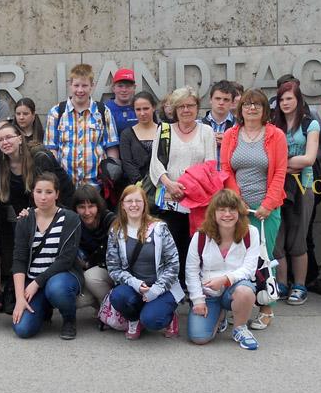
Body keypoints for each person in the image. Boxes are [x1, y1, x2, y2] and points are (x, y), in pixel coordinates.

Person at [219, 88, 287, 329]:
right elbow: (226, 169)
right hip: (236, 210)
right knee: (236, 258)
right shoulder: (231, 135)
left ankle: (267, 308)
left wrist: (267, 205)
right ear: (240, 109)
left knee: (263, 259)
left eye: (257, 104)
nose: (252, 108)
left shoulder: (275, 135)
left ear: (265, 109)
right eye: (247, 104)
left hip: (266, 210)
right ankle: (238, 307)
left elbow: (280, 172)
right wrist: (237, 201)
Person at [0, 121, 74, 306]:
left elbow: (49, 191)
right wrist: (25, 215)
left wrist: (33, 213)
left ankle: (49, 288)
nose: (5, 142)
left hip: (58, 205)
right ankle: (18, 290)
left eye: (9, 137)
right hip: (31, 210)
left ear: (20, 138)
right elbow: (15, 197)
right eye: (0, 140)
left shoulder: (39, 157)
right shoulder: (3, 164)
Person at [149, 87, 216, 291]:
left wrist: (190, 186)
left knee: (195, 243)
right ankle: (176, 287)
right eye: (182, 106)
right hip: (172, 198)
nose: (186, 110)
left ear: (197, 107)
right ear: (175, 110)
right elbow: (156, 164)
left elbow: (210, 164)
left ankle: (194, 286)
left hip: (197, 200)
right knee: (174, 243)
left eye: (190, 105)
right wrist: (169, 184)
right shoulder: (164, 131)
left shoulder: (206, 131)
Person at [185, 189, 261, 350]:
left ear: (239, 212)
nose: (227, 214)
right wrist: (198, 301)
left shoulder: (251, 233)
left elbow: (249, 268)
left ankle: (240, 328)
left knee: (245, 292)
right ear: (214, 213)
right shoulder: (201, 236)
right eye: (222, 210)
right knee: (199, 338)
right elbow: (191, 271)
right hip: (208, 293)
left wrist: (226, 279)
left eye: (232, 209)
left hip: (235, 287)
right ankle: (219, 315)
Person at [11, 172, 83, 340]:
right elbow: (19, 259)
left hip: (61, 277)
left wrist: (37, 283)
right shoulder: (25, 219)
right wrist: (20, 298)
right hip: (32, 280)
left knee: (57, 288)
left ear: (57, 194)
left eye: (49, 192)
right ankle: (44, 308)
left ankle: (69, 320)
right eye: (39, 191)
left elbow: (66, 260)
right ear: (32, 193)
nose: (43, 197)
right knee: (23, 329)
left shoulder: (71, 219)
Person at [105, 184, 182, 340]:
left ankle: (169, 317)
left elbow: (173, 264)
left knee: (152, 320)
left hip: (162, 287)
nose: (134, 205)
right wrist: (134, 283)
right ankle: (134, 319)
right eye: (129, 201)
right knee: (118, 296)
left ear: (144, 204)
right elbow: (113, 268)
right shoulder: (116, 231)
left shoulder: (159, 229)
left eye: (138, 201)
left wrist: (157, 289)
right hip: (135, 286)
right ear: (122, 205)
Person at [272, 80, 320, 306]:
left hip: (303, 185)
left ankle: (299, 285)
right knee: (277, 236)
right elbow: (269, 158)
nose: (285, 103)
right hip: (277, 185)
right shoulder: (273, 125)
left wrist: (282, 163)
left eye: (289, 98)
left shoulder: (310, 124)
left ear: (298, 100)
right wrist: (287, 166)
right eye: (281, 99)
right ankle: (281, 283)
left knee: (299, 237)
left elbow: (309, 158)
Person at [44, 63, 120, 189]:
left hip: (96, 187)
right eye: (76, 85)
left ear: (92, 86)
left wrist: (109, 174)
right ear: (70, 85)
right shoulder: (57, 112)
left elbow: (111, 147)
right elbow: (52, 150)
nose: (80, 90)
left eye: (84, 85)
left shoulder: (103, 111)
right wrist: (57, 179)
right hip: (65, 186)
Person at [72, 184, 115, 310]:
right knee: (75, 299)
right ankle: (102, 308)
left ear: (98, 206)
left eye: (91, 206)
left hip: (111, 270)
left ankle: (112, 310)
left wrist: (88, 263)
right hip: (91, 270)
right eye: (81, 207)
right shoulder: (74, 223)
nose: (87, 212)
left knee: (91, 277)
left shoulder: (109, 219)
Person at [118, 90, 160, 186]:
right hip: (136, 187)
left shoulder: (164, 130)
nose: (142, 113)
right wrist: (140, 184)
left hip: (161, 185)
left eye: (146, 108)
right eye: (138, 109)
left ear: (153, 108)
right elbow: (127, 162)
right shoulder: (127, 134)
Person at [201, 80, 236, 166]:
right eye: (217, 98)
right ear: (210, 100)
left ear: (232, 103)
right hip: (205, 173)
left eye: (226, 100)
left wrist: (229, 142)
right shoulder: (198, 125)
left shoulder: (240, 126)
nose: (221, 103)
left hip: (230, 173)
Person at [106, 67, 138, 136]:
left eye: (128, 86)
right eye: (120, 86)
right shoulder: (105, 109)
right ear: (113, 88)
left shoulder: (140, 108)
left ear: (134, 88)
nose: (124, 90)